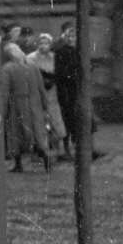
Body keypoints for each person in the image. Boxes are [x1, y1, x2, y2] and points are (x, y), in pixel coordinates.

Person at [3, 41, 51, 173]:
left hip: (18, 104)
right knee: (37, 132)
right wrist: (45, 105)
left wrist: (4, 111)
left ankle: (18, 164)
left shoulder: (7, 68)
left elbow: (5, 92)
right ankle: (45, 155)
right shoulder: (32, 66)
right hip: (34, 103)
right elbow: (41, 88)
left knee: (16, 133)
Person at [28, 33, 67, 156]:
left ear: (50, 45)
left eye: (46, 43)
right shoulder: (31, 57)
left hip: (52, 91)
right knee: (38, 119)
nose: (43, 46)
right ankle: (39, 148)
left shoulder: (54, 57)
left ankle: (60, 148)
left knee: (56, 118)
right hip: (37, 90)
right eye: (41, 43)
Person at [54, 22, 79, 158]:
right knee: (65, 120)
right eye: (68, 35)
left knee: (76, 121)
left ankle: (77, 149)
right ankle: (65, 150)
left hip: (75, 91)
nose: (71, 38)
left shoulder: (77, 50)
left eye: (73, 35)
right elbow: (61, 71)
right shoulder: (60, 50)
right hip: (65, 91)